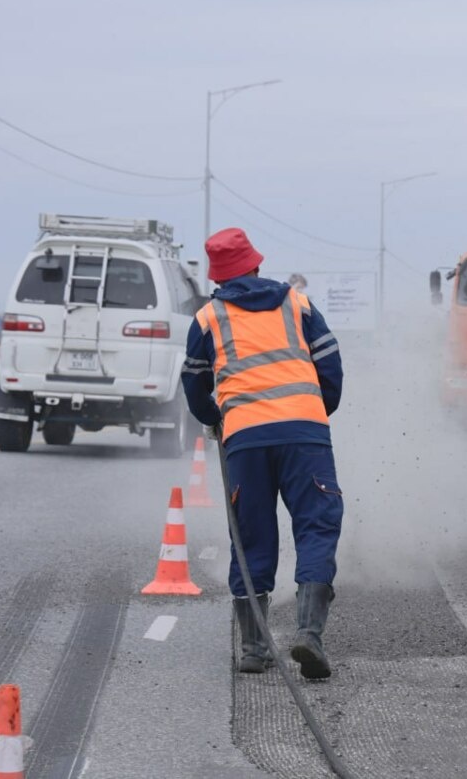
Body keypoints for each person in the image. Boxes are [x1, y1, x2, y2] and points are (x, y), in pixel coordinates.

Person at [181, 227, 345, 679]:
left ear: (218, 278)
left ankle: (254, 649)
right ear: (256, 265)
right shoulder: (297, 304)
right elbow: (330, 365)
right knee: (316, 526)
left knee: (251, 535)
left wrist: (214, 416)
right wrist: (314, 409)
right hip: (305, 433)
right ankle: (309, 634)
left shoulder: (208, 318)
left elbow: (193, 381)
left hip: (246, 440)